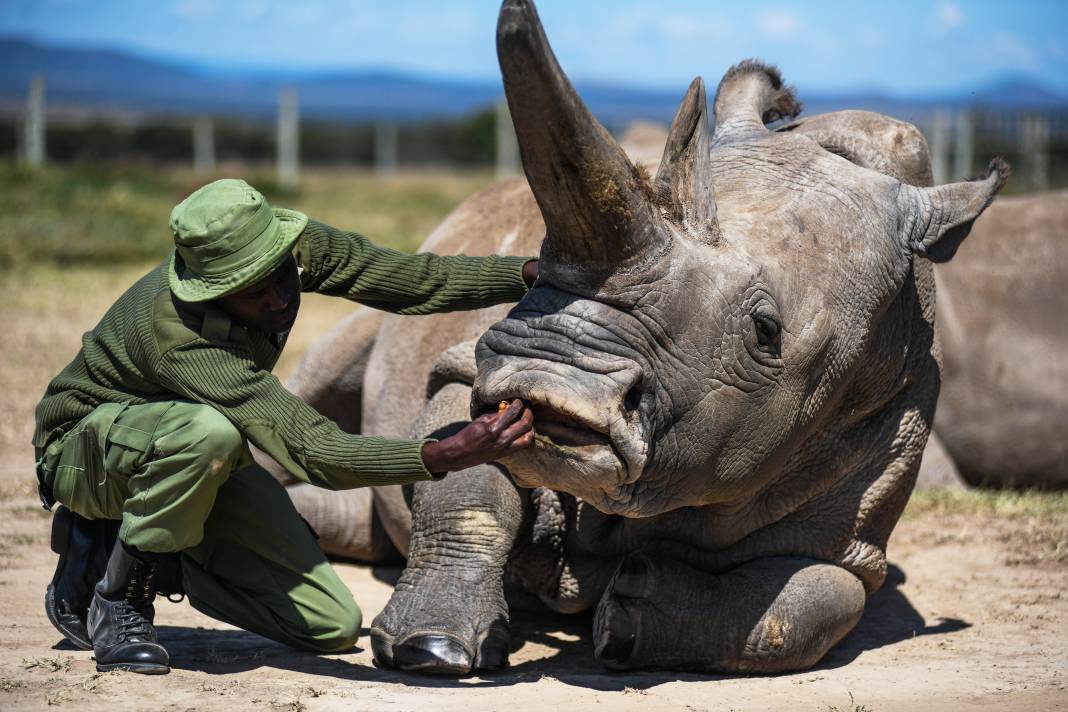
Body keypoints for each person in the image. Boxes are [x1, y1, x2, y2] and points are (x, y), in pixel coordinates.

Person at [33, 178, 537, 674]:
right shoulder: (179, 336)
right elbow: (314, 449)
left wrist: (528, 273)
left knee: (330, 624)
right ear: (211, 291)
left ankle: (144, 544)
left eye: (282, 276)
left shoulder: (285, 248)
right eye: (254, 293)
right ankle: (120, 599)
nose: (278, 300)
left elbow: (407, 278)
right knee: (210, 431)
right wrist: (438, 456)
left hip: (188, 459)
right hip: (88, 450)